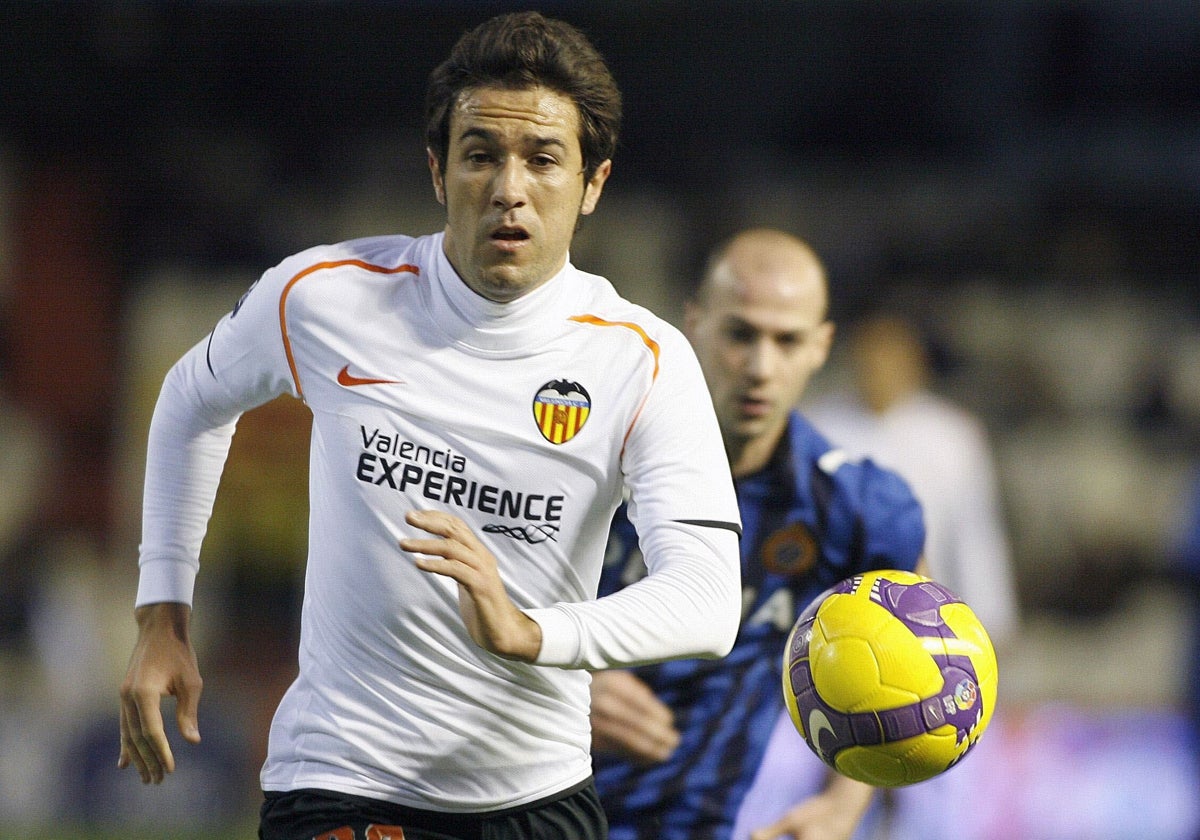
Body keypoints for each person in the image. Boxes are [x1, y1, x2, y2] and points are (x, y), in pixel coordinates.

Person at [117, 12, 743, 840]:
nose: (509, 188)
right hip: (341, 782)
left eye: (544, 159)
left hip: (539, 798)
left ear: (593, 184)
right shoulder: (326, 296)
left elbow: (706, 601)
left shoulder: (644, 360)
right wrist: (162, 615)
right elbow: (190, 402)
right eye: (481, 154)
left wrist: (535, 632)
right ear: (439, 172)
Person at [590, 228, 926, 840]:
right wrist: (556, 692)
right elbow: (442, 604)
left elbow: (915, 668)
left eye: (787, 340)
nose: (761, 367)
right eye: (741, 334)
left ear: (822, 346)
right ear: (694, 325)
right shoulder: (587, 453)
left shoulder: (854, 510)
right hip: (516, 806)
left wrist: (841, 807)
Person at [804, 312, 1018, 647]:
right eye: (870, 358)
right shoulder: (817, 428)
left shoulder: (951, 434)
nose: (878, 369)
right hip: (833, 622)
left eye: (890, 358)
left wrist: (992, 619)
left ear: (914, 363)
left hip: (931, 620)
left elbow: (973, 535)